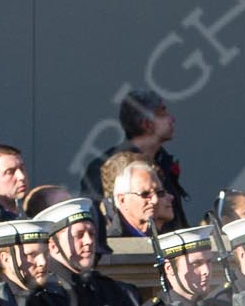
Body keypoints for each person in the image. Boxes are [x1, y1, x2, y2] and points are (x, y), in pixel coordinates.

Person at [80, 88, 188, 217]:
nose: (172, 119)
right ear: (147, 124)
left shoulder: (163, 161)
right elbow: (94, 217)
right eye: (163, 113)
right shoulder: (104, 168)